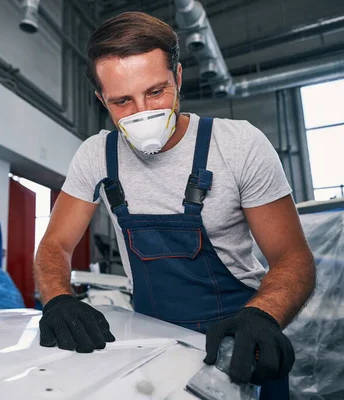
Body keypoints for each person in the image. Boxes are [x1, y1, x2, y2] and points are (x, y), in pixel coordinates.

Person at [34, 11, 316, 400]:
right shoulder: (97, 156)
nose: (142, 112)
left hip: (242, 341)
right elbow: (55, 245)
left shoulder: (238, 145)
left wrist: (263, 316)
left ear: (179, 77)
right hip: (151, 343)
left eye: (155, 91)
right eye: (121, 101)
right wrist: (59, 299)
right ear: (101, 99)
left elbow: (293, 256)